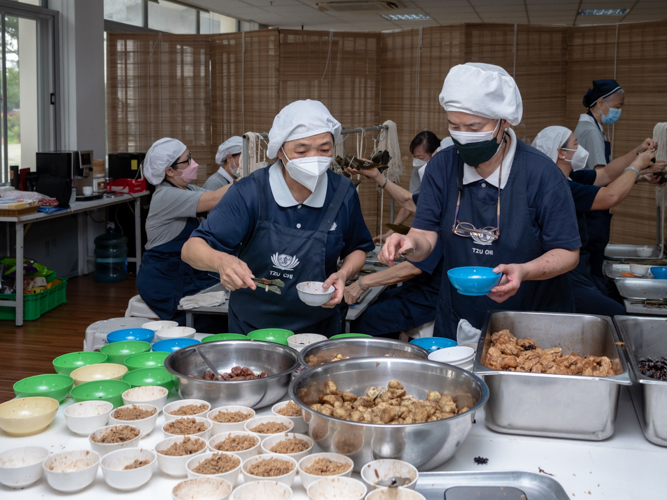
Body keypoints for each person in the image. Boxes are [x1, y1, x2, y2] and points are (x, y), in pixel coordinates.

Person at [379, 63, 582, 342]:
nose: (463, 135)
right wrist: (410, 245)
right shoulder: (442, 167)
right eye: (454, 126)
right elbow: (424, 234)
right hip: (460, 316)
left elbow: (568, 253)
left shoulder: (541, 174)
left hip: (532, 320)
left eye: (475, 127)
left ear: (504, 121)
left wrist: (524, 270)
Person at [182, 100, 374, 336]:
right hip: (253, 327)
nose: (313, 158)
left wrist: (343, 274)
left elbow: (358, 249)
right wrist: (221, 261)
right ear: (280, 151)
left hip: (318, 326)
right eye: (301, 151)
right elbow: (191, 249)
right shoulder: (250, 192)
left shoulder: (342, 193)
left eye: (324, 149)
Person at [532, 126, 662, 316]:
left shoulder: (571, 177)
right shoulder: (559, 188)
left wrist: (638, 152)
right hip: (566, 278)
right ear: (561, 153)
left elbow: (607, 174)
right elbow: (610, 196)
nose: (581, 149)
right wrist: (636, 166)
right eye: (576, 144)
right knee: (617, 314)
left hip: (580, 270)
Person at [136, 138, 230, 328]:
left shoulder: (188, 189)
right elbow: (214, 198)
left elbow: (219, 203)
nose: (193, 164)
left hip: (186, 273)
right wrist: (250, 179)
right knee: (207, 323)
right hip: (165, 281)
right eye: (187, 160)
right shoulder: (166, 196)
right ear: (170, 171)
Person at [344, 163, 443, 337]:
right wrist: (377, 176)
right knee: (379, 300)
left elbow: (412, 268)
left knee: (365, 320)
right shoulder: (434, 200)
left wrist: (361, 283)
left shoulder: (445, 217)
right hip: (416, 288)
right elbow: (408, 200)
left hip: (430, 298)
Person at [574, 79, 660, 279]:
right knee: (592, 271)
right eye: (617, 106)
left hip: (593, 208)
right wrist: (638, 165)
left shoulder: (594, 128)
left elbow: (606, 175)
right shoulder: (590, 131)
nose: (619, 111)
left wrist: (642, 174)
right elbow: (603, 177)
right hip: (592, 214)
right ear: (601, 103)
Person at [374, 131, 445, 243]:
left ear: (435, 153)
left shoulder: (445, 168)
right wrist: (389, 233)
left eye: (420, 157)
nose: (416, 161)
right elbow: (409, 201)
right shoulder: (418, 170)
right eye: (414, 156)